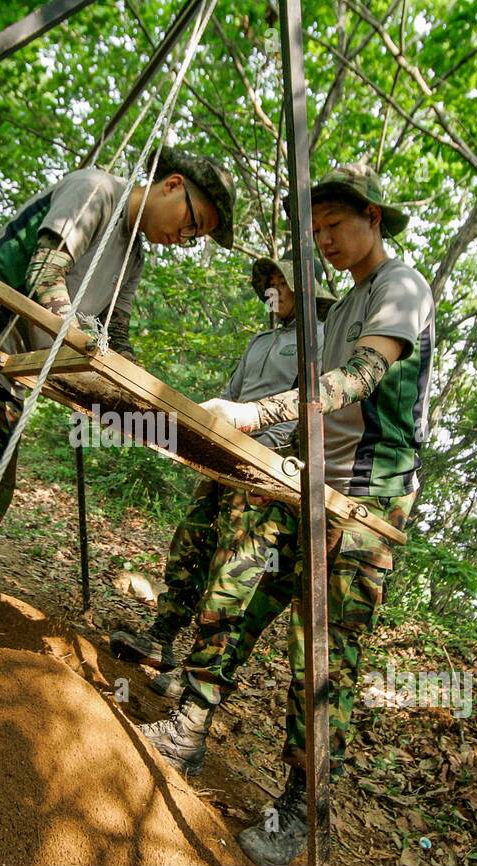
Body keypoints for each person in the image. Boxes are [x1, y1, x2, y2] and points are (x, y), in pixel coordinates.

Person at [141, 163, 434, 866]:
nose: (323, 241)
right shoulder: (337, 309)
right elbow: (313, 392)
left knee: (322, 656)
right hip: (303, 484)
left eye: (334, 227)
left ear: (372, 215)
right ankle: (189, 725)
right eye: (316, 231)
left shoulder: (401, 288)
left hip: (364, 502)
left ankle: (300, 807)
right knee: (234, 591)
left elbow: (361, 376)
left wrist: (257, 411)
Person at [0, 147, 237, 644]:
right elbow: (45, 273)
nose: (182, 239)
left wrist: (141, 391)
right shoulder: (97, 189)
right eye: (191, 224)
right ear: (172, 184)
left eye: (193, 238)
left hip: (15, 372)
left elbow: (116, 329)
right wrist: (79, 338)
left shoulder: (133, 257)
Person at [108, 255, 334, 692]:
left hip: (268, 469)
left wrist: (273, 445)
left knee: (233, 571)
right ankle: (161, 638)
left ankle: (196, 673)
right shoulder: (258, 342)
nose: (271, 291)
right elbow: (230, 396)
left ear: (304, 290)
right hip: (222, 457)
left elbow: (312, 404)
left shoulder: (320, 338)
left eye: (280, 283)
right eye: (266, 284)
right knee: (189, 544)